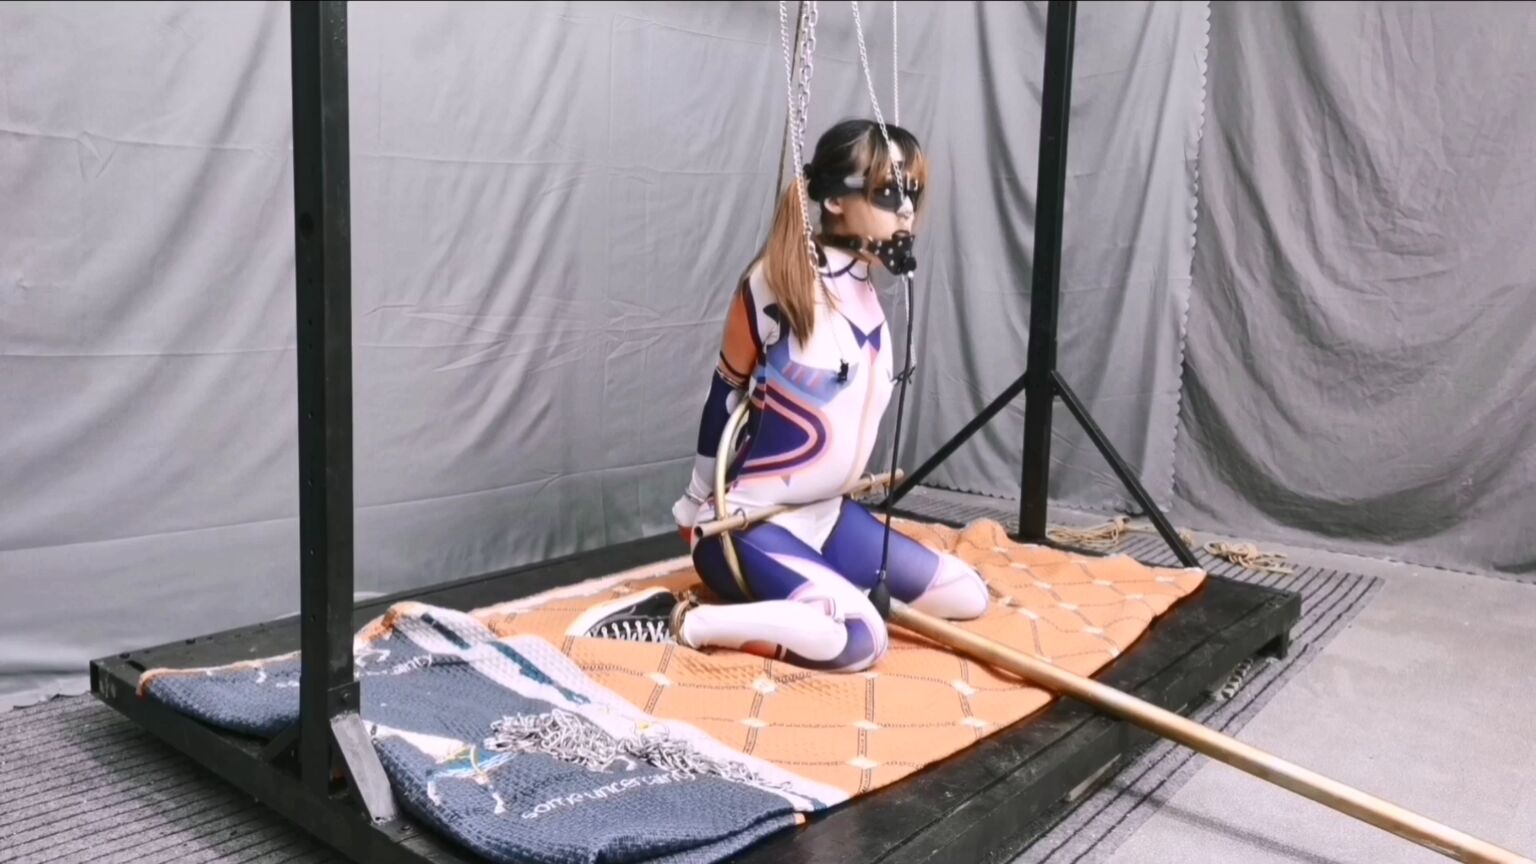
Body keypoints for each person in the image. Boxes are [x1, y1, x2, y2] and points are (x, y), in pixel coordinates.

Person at [569, 119, 989, 672]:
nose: (907, 211)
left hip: (829, 518)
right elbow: (727, 387)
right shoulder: (778, 282)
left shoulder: (866, 291)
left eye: (913, 193)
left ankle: (815, 592)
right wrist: (694, 503)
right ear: (835, 200)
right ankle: (681, 622)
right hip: (747, 526)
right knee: (861, 637)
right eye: (889, 193)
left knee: (967, 595)